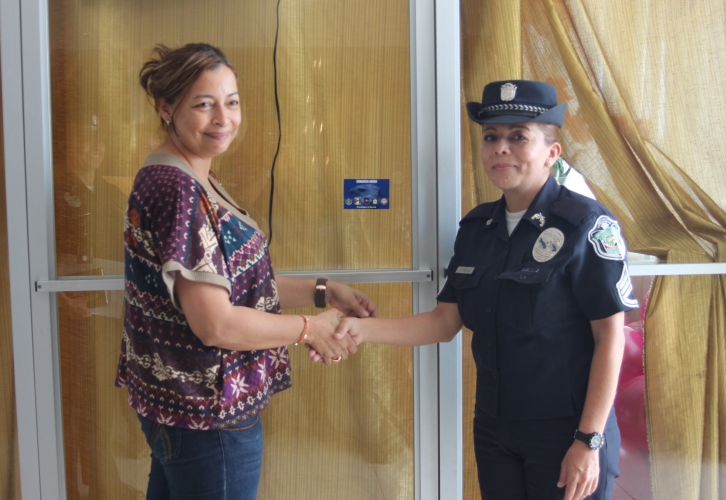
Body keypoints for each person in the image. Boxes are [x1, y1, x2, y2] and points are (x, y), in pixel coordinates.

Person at [333, 80, 638, 500]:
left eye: (518, 137)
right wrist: (360, 329)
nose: (500, 149)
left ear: (552, 153)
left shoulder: (584, 224)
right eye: (491, 137)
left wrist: (589, 441)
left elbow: (610, 337)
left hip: (567, 428)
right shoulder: (478, 228)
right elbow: (444, 322)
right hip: (495, 428)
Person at [114, 43, 377, 500]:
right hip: (207, 419)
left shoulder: (192, 177)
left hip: (182, 410)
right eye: (204, 104)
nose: (224, 118)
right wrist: (310, 329)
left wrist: (323, 289)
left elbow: (230, 285)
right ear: (166, 108)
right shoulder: (180, 191)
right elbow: (215, 323)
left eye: (232, 102)